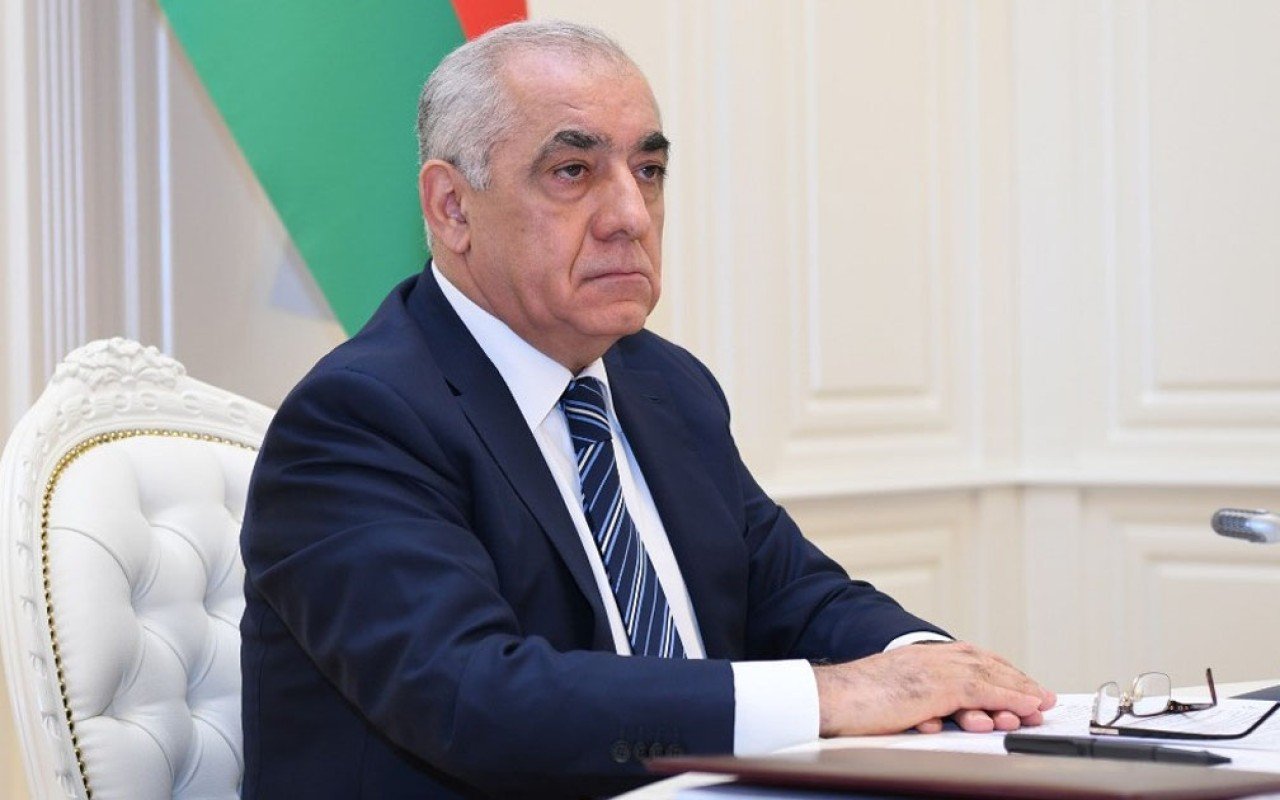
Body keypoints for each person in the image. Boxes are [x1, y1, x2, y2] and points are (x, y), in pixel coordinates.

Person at [239, 19, 1055, 800]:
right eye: (573, 172)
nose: (631, 216)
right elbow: (475, 699)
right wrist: (832, 697)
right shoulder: (358, 419)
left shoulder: (663, 384)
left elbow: (795, 596)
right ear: (453, 207)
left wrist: (936, 670)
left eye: (649, 171)